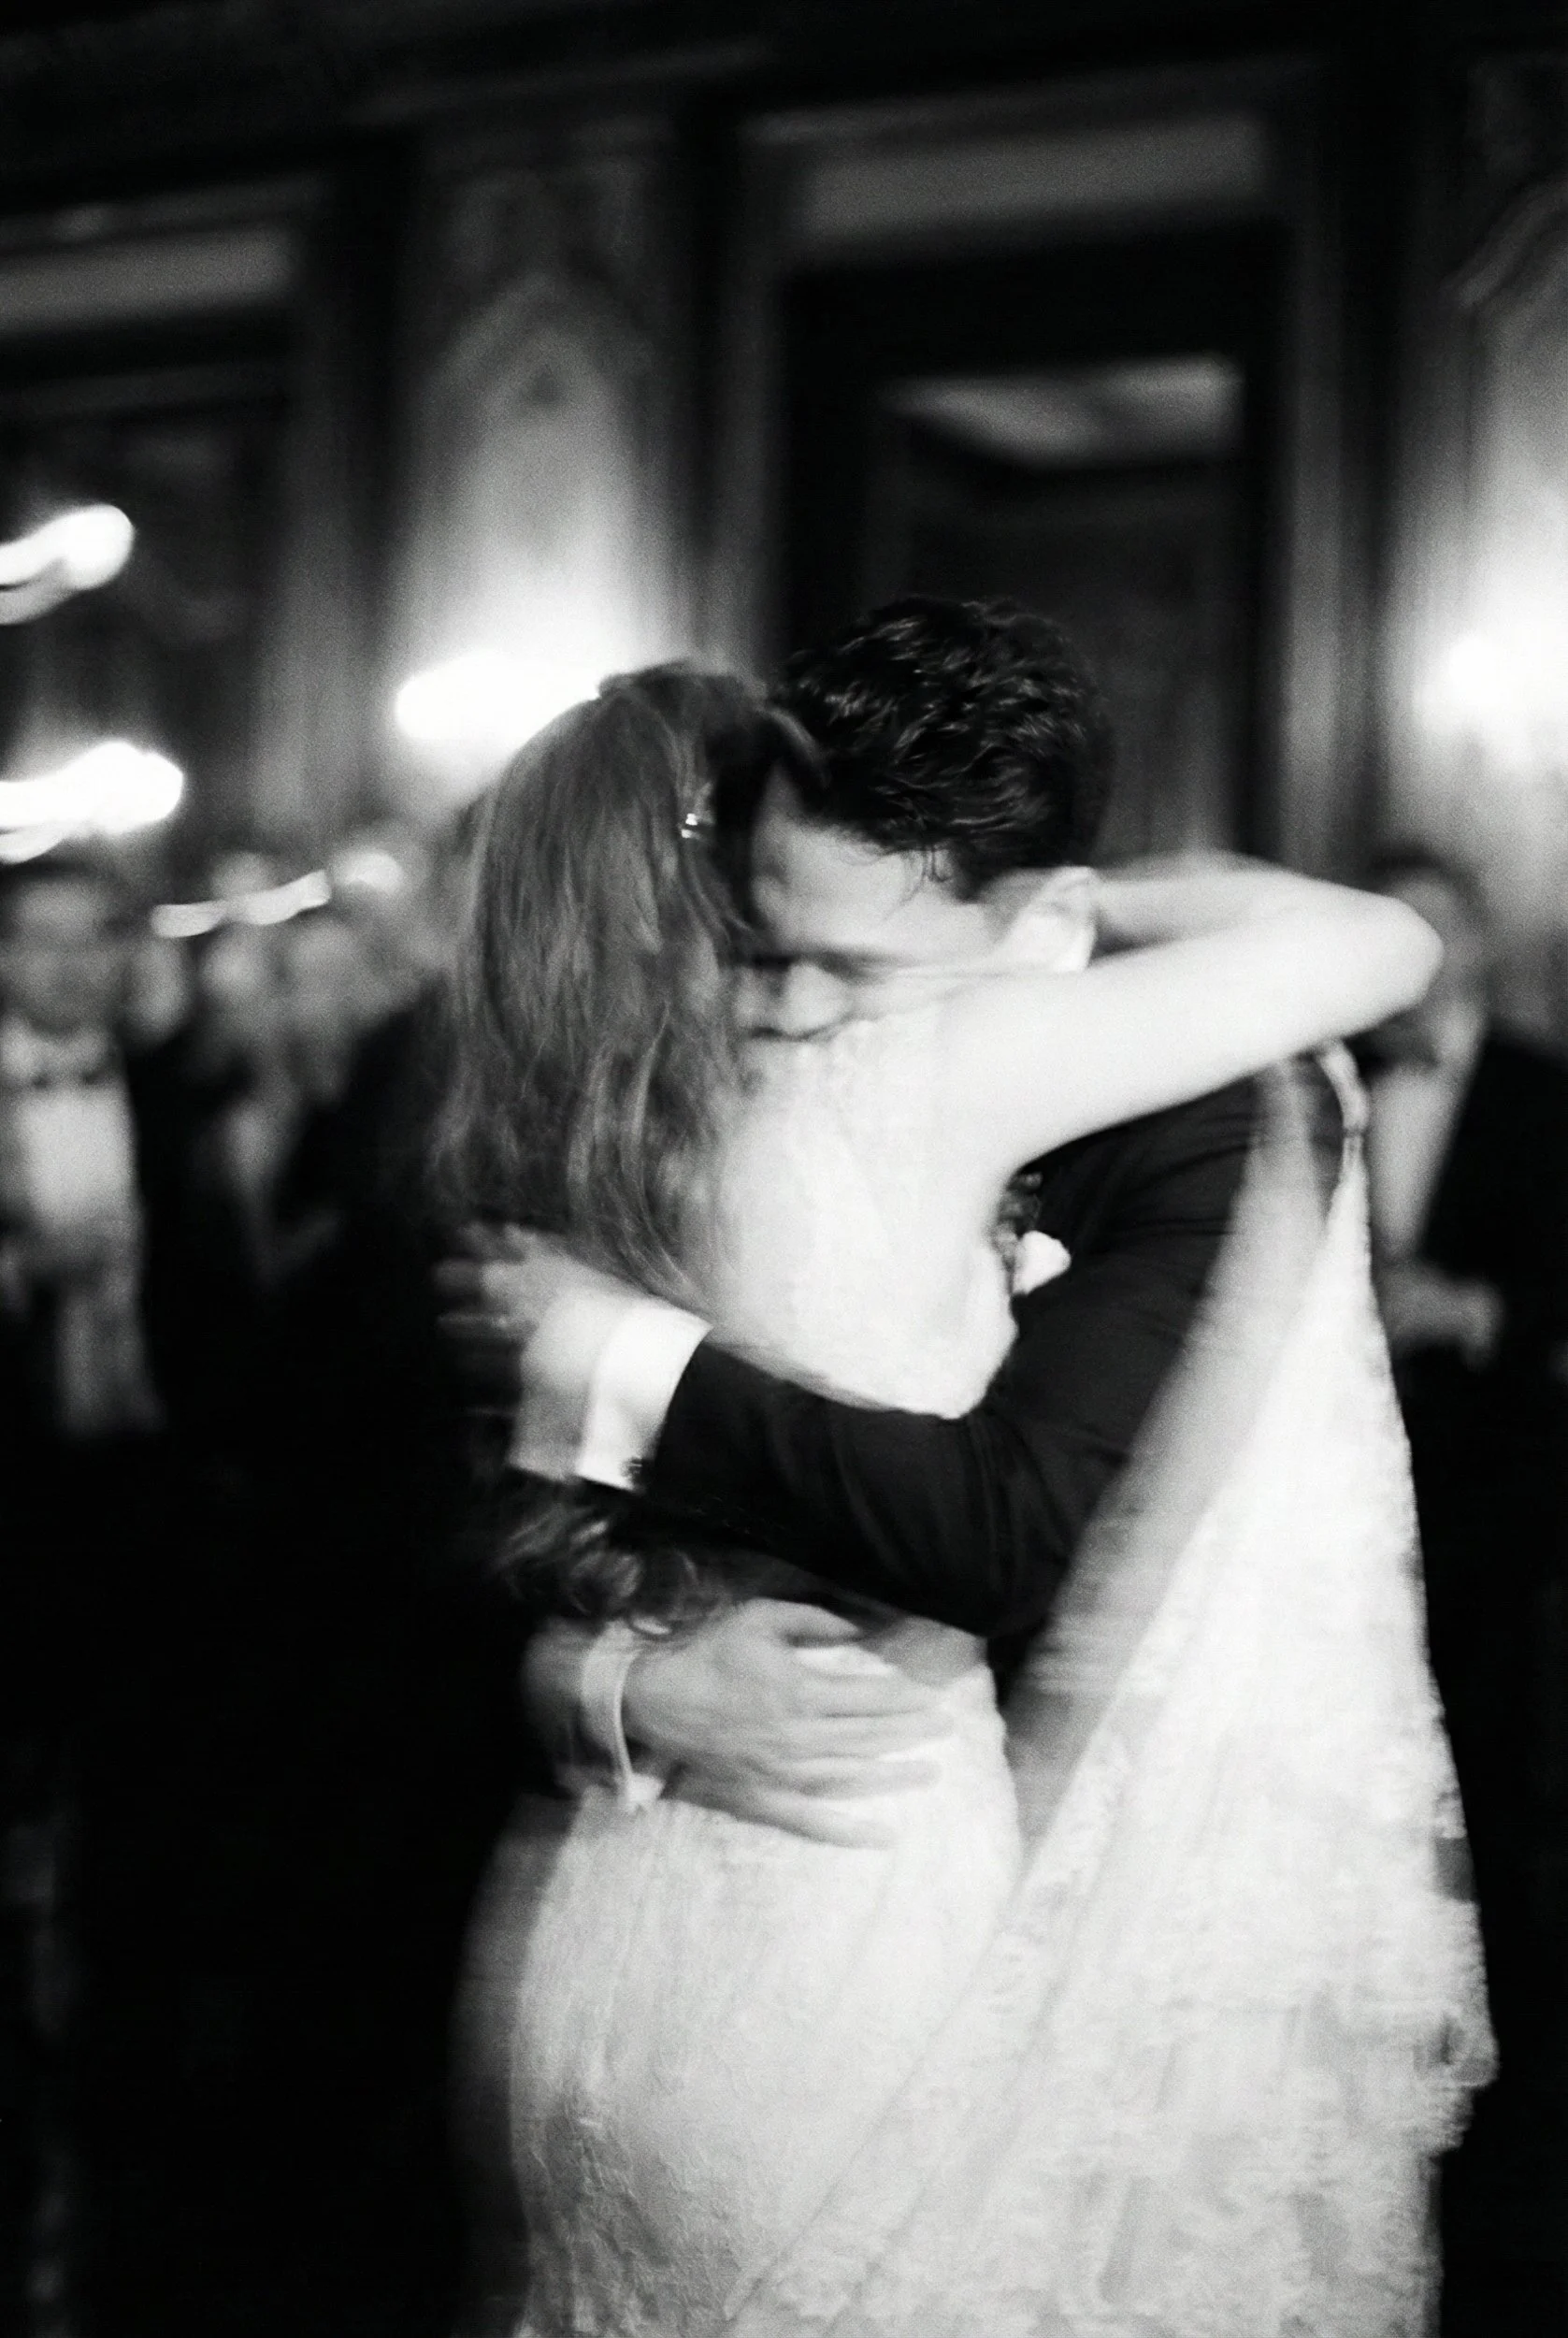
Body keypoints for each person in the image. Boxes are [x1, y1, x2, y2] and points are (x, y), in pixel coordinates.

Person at [439, 607, 1488, 2335]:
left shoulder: (1154, 1105)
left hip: (654, 1949)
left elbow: (1008, 1534)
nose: (784, 1014)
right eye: (759, 947)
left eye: (848, 970)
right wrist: (612, 1673)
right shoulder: (768, 1097)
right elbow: (1375, 941)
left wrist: (619, 1426)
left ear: (1045, 923)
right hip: (824, 1918)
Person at [1359, 847, 1568, 2335]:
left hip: (1498, 1487)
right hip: (1356, 1486)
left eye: (1434, 942)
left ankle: (1484, 2051)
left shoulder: (1549, 1094)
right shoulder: (1332, 1084)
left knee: (1487, 1764)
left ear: (1477, 946)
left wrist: (1474, 1308)